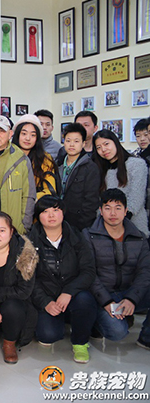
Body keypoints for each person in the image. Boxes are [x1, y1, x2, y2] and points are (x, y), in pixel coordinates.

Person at [27, 196, 96, 363]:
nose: (51, 215)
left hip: (72, 294)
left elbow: (88, 271)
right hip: (47, 295)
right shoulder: (29, 241)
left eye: (56, 210)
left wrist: (68, 292)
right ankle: (61, 319)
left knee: (85, 301)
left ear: (63, 213)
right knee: (48, 335)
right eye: (45, 211)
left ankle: (80, 343)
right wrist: (45, 302)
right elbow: (28, 278)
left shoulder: (77, 237)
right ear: (38, 216)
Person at [83, 189, 150, 349]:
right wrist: (107, 301)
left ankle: (146, 337)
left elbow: (145, 272)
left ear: (126, 211)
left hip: (128, 292)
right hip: (102, 296)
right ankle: (97, 322)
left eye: (118, 208)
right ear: (101, 211)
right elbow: (88, 272)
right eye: (108, 208)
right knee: (117, 332)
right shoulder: (88, 235)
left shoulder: (139, 237)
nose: (113, 213)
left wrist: (132, 299)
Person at [0, 212, 38, 364]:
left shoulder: (25, 253)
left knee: (12, 307)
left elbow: (24, 291)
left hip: (13, 303)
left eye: (2, 230)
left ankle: (9, 343)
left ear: (11, 232)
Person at [0, 115, 35, 234]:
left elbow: (28, 195)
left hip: (15, 228)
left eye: (1, 131)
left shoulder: (21, 159)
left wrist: (24, 225)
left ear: (10, 134)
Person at [93, 129, 149, 236]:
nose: (103, 149)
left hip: (134, 226)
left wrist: (119, 221)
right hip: (106, 228)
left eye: (106, 144)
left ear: (115, 142)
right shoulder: (101, 169)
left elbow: (136, 198)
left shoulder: (137, 164)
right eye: (98, 147)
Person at [56, 123, 100, 230]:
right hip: (57, 220)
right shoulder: (57, 164)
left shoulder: (90, 167)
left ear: (83, 143)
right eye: (68, 141)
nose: (71, 145)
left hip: (79, 224)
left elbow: (91, 201)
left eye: (76, 141)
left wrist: (82, 225)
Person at [12, 114, 58, 199]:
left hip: (35, 202)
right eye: (24, 134)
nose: (28, 138)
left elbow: (49, 190)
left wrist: (29, 199)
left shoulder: (45, 159)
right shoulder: (7, 156)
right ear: (17, 135)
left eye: (33, 135)